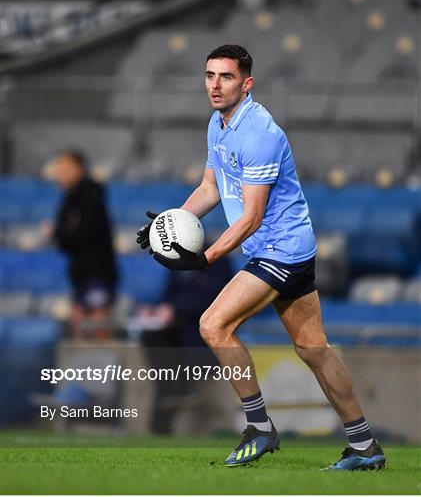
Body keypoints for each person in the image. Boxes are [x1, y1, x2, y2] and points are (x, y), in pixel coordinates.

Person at [136, 45, 386, 470]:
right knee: (314, 350)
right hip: (284, 248)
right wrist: (168, 223)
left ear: (246, 83)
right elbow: (210, 189)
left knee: (213, 325)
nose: (215, 85)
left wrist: (206, 257)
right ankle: (365, 446)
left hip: (279, 250)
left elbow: (250, 217)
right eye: (210, 75)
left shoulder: (259, 134)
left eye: (226, 77)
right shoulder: (219, 125)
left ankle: (260, 427)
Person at [137, 251, 233, 434]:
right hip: (177, 334)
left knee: (169, 374)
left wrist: (175, 309)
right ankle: (175, 395)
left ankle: (175, 395)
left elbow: (218, 297)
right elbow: (169, 295)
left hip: (200, 333)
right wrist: (155, 311)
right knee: (151, 336)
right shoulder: (177, 258)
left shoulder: (217, 257)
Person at [47, 150, 118, 340]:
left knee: (97, 324)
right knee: (77, 326)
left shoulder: (90, 197)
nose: (59, 174)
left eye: (64, 168)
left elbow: (81, 234)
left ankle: (106, 369)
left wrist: (56, 233)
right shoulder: (68, 200)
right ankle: (81, 369)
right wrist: (60, 234)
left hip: (97, 272)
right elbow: (67, 239)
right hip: (80, 273)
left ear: (79, 170)